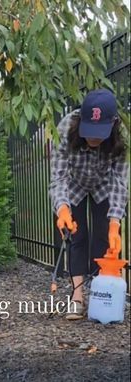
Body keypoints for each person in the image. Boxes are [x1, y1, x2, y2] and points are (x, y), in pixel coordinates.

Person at [49, 88, 129, 320]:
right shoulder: (65, 127)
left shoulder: (121, 136)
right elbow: (59, 175)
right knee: (77, 236)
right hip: (73, 183)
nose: (93, 138)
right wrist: (62, 207)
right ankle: (77, 297)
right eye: (89, 131)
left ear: (113, 124)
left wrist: (115, 221)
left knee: (105, 238)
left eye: (99, 132)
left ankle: (99, 295)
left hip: (104, 184)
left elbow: (119, 182)